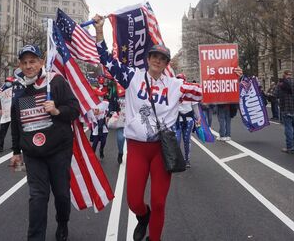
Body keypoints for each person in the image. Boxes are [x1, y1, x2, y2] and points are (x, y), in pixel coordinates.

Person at [93, 15, 224, 241]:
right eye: (154, 56)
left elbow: (208, 91)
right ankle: (144, 217)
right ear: (148, 58)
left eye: (162, 58)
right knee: (134, 201)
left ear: (166, 64)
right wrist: (99, 32)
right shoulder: (132, 77)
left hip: (161, 149)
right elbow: (106, 60)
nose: (157, 60)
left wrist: (234, 79)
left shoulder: (175, 85)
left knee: (159, 202)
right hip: (137, 148)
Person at [9, 44, 79, 241]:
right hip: (33, 153)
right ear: (20, 65)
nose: (29, 66)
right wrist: (16, 151)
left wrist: (57, 110)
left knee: (62, 194)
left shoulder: (55, 83)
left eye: (33, 61)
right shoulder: (19, 89)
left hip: (58, 150)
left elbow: (74, 109)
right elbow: (17, 122)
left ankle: (62, 223)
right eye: (24, 62)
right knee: (38, 197)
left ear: (41, 62)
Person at [275, 70, 294, 154]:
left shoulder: (281, 84)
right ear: (291, 75)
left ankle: (289, 147)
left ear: (284, 75)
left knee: (288, 128)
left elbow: (276, 95)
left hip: (286, 109)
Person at [174, 73, 196, 168]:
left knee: (187, 140)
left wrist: (198, 118)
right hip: (176, 120)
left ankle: (187, 160)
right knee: (177, 140)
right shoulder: (173, 92)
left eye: (181, 80)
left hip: (188, 120)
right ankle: (177, 160)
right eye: (178, 80)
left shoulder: (190, 92)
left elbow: (195, 105)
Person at [0, 77, 15, 152]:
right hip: (5, 113)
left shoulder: (15, 90)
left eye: (9, 82)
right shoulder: (2, 91)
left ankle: (15, 145)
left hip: (13, 112)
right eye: (6, 81)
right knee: (2, 129)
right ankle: (0, 145)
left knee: (14, 130)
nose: (7, 83)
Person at [89, 92, 110, 159]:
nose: (100, 97)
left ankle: (101, 150)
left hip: (103, 126)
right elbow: (89, 115)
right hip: (96, 127)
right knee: (95, 143)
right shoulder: (91, 105)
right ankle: (92, 157)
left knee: (103, 141)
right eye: (98, 96)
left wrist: (108, 116)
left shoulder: (106, 104)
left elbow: (110, 109)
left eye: (101, 96)